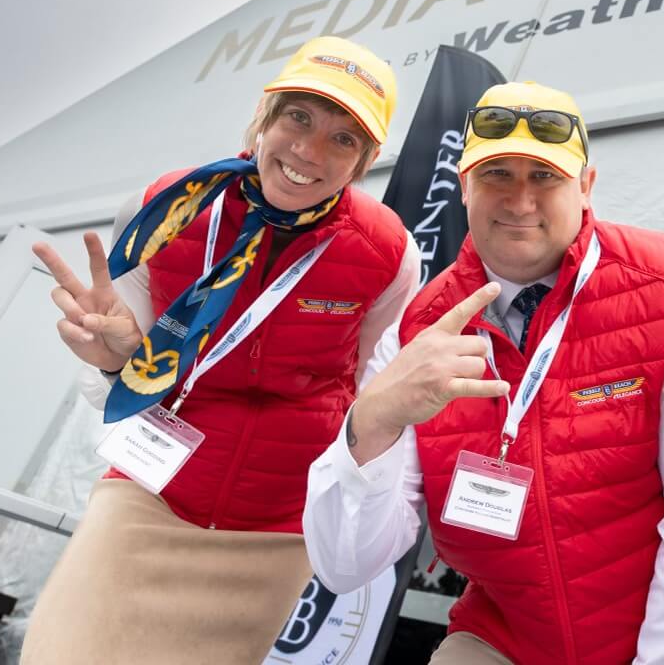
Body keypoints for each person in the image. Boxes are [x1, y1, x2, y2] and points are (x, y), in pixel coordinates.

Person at [303, 80, 664, 665]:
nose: (519, 201)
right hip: (502, 636)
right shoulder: (420, 329)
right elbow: (344, 563)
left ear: (586, 188)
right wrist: (374, 418)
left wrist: (657, 658)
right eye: (497, 175)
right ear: (463, 186)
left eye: (544, 177)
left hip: (653, 632)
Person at [22, 36, 422, 664]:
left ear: (365, 161)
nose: (310, 151)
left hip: (276, 526)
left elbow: (365, 394)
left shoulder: (389, 252)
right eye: (300, 117)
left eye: (344, 139)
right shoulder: (168, 205)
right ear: (263, 118)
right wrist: (114, 360)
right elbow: (118, 374)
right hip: (152, 493)